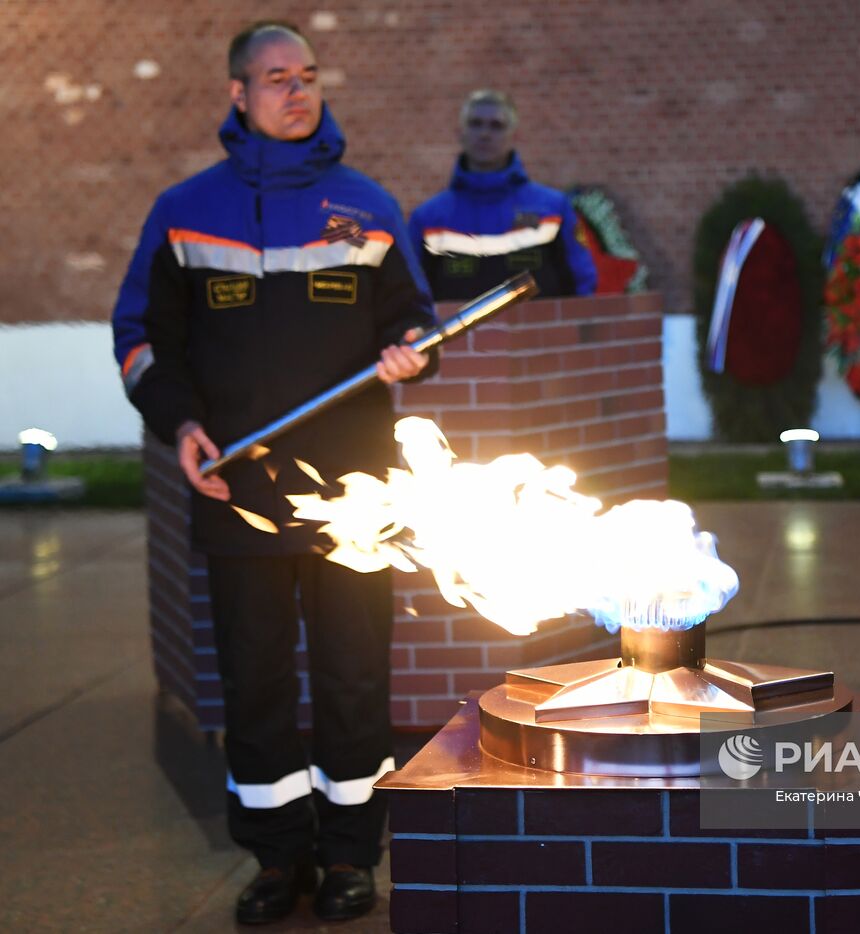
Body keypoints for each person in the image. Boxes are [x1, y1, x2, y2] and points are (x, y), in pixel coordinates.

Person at [111, 21, 436, 925]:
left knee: (352, 675)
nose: (298, 91)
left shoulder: (369, 206)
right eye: (277, 78)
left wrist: (412, 350)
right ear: (238, 95)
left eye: (309, 76)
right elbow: (142, 339)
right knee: (252, 682)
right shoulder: (184, 210)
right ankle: (275, 858)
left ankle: (347, 858)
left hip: (356, 503)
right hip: (236, 495)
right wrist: (177, 423)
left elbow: (412, 322)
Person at [409, 89, 597, 300]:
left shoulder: (552, 210)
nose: (485, 134)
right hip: (460, 334)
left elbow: (582, 286)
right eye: (475, 124)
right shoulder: (429, 219)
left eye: (496, 126)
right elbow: (413, 297)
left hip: (536, 333)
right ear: (459, 133)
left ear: (515, 136)